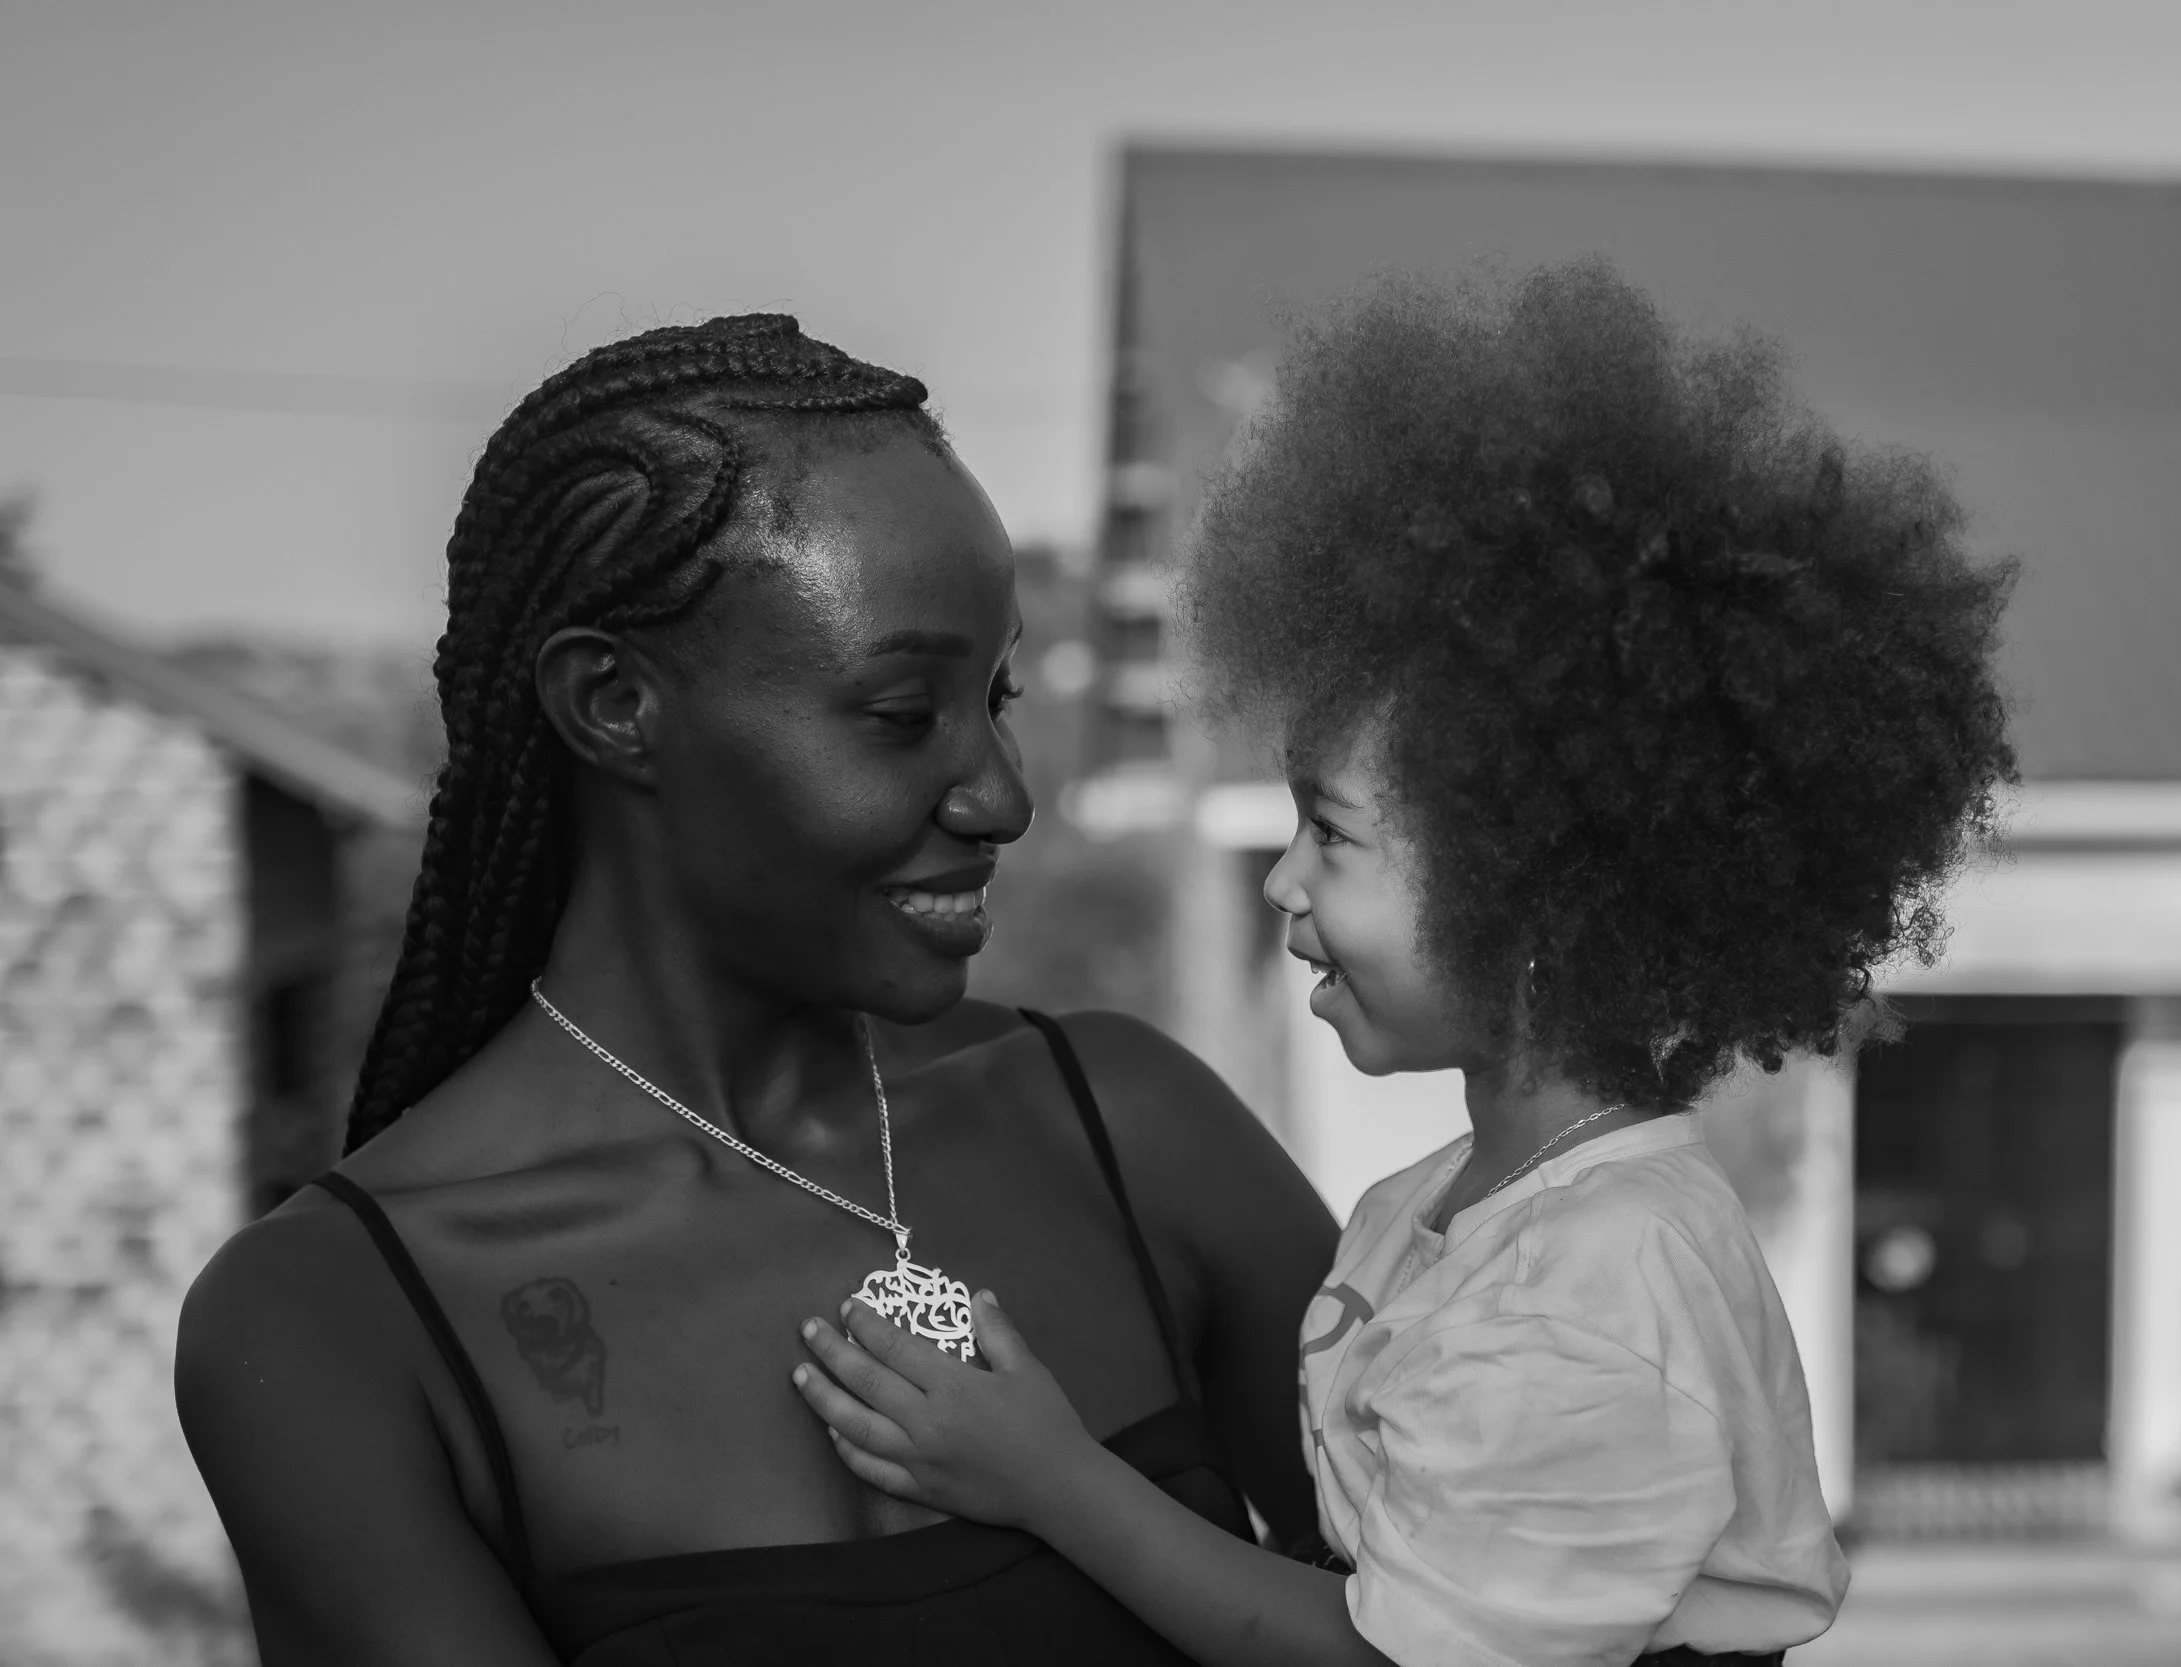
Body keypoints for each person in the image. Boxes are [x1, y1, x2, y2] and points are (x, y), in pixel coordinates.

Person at [788, 259, 2019, 1667]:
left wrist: (1050, 1478)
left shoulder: (1601, 1289)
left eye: (1333, 833)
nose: (1281, 881)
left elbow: (1377, 1656)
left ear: (1531, 900)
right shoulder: (1433, 1211)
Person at [174, 314, 1341, 1666]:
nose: (1003, 796)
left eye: (998, 697)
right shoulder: (341, 1327)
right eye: (901, 715)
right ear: (613, 703)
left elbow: (1486, 1612)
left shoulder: (1126, 1133)